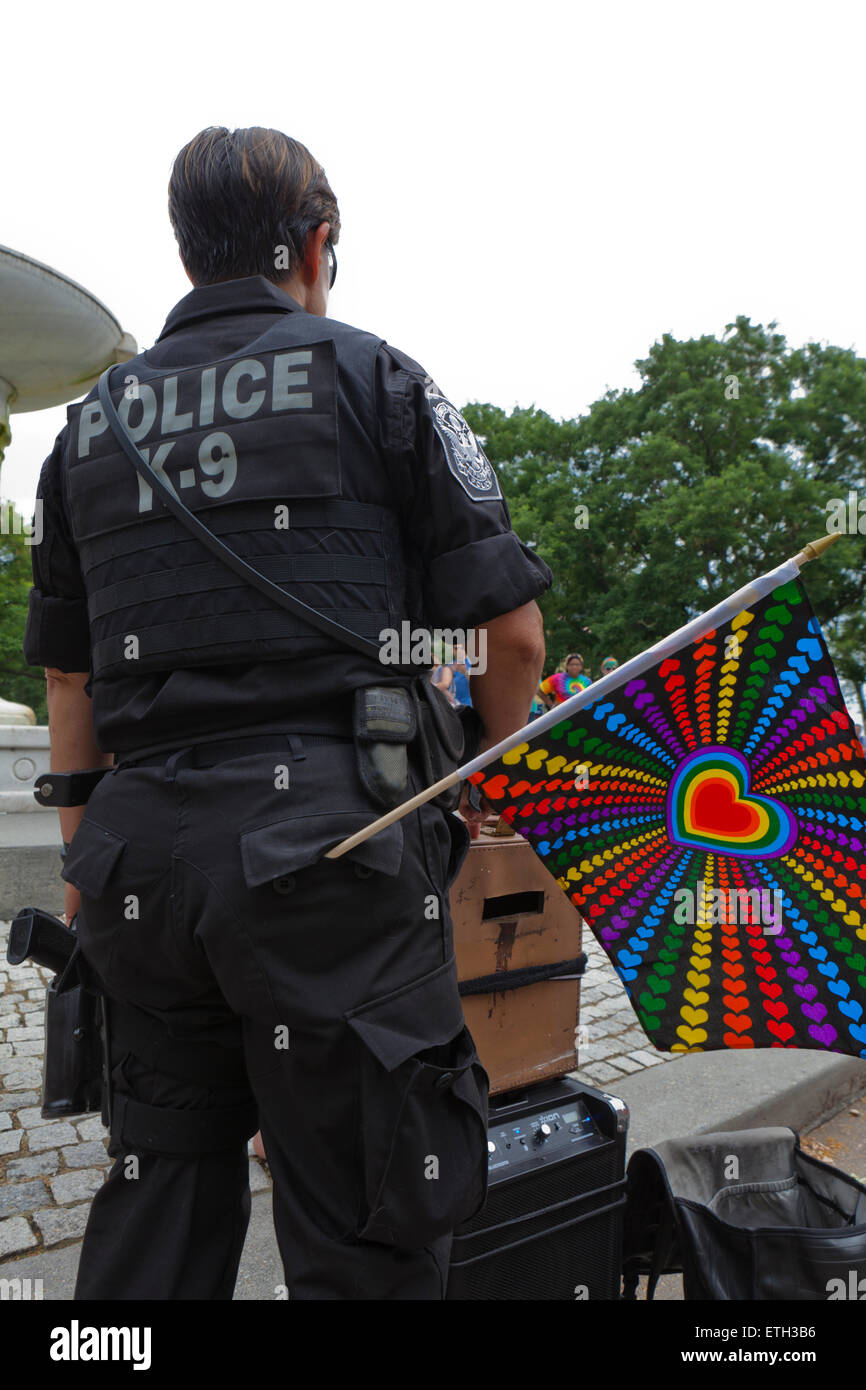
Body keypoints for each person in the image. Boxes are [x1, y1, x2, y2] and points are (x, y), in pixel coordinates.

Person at [22, 125, 552, 1301]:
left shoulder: (87, 428)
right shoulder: (380, 379)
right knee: (368, 1216)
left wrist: (82, 866)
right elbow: (508, 639)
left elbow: (71, 684)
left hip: (138, 864)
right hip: (337, 857)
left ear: (187, 250)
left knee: (155, 1202)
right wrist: (448, 787)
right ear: (315, 245)